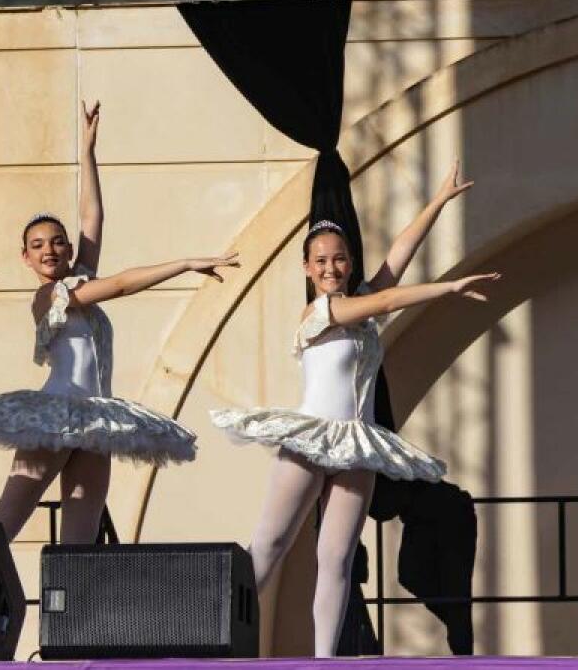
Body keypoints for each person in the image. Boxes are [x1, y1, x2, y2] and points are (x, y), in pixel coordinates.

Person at [210, 162, 495, 657]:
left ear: (349, 262)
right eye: (319, 261)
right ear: (306, 268)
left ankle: (326, 660)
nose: (329, 268)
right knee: (269, 547)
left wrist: (439, 201)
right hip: (311, 438)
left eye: (339, 260)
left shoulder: (359, 303)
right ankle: (216, 643)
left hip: (357, 442)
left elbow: (398, 257)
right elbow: (387, 298)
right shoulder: (319, 313)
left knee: (336, 556)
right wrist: (447, 288)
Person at [0, 102, 236, 544]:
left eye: (58, 242)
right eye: (38, 245)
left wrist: (86, 149)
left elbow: (92, 219)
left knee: (80, 542)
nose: (50, 250)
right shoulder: (51, 296)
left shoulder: (77, 277)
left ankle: (67, 612)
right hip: (56, 413)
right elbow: (119, 286)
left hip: (95, 419)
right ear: (25, 257)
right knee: (6, 523)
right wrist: (183, 263)